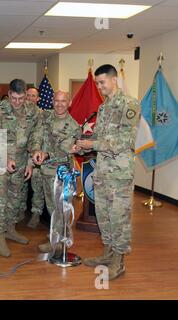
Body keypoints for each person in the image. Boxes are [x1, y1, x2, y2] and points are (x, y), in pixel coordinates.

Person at [71, 64, 140, 280]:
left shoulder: (129, 104)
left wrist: (94, 144)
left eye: (102, 82)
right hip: (102, 171)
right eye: (98, 83)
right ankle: (108, 254)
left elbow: (124, 141)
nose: (99, 87)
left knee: (118, 217)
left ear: (114, 80)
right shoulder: (104, 107)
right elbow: (98, 135)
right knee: (104, 214)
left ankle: (119, 263)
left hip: (119, 173)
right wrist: (83, 143)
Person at [0, 79, 39, 257]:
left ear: (25, 95)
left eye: (21, 98)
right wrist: (6, 158)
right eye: (14, 98)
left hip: (21, 161)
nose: (17, 102)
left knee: (15, 198)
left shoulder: (32, 111)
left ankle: (11, 229)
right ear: (9, 94)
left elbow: (35, 136)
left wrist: (32, 160)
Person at [31, 91, 80, 255]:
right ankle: (57, 235)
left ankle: (62, 241)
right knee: (52, 207)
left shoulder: (73, 126)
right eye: (57, 101)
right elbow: (37, 133)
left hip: (61, 173)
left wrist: (47, 155)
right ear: (52, 101)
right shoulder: (46, 117)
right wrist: (37, 148)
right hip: (46, 170)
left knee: (61, 208)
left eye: (63, 101)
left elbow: (66, 151)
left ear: (69, 102)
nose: (59, 104)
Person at [25, 87, 44, 229]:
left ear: (38, 99)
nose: (30, 98)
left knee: (36, 183)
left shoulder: (43, 115)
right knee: (18, 184)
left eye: (33, 96)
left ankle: (36, 214)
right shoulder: (18, 112)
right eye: (28, 95)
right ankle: (19, 211)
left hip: (35, 155)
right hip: (20, 155)